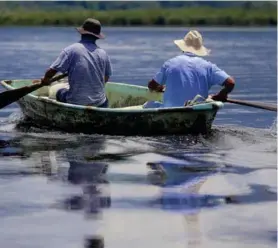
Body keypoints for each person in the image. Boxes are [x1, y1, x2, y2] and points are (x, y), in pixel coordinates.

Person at [145, 30, 235, 108]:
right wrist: (222, 95)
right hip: (197, 107)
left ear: (183, 47)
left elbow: (152, 85)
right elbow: (230, 83)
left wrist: (159, 87)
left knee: (148, 105)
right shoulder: (208, 66)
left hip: (170, 108)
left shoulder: (170, 63)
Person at [34, 18, 112, 107]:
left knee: (59, 92)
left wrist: (45, 80)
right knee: (104, 99)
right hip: (100, 103)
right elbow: (106, 77)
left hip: (75, 101)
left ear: (82, 33)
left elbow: (51, 71)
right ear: (96, 37)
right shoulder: (103, 53)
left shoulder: (71, 50)